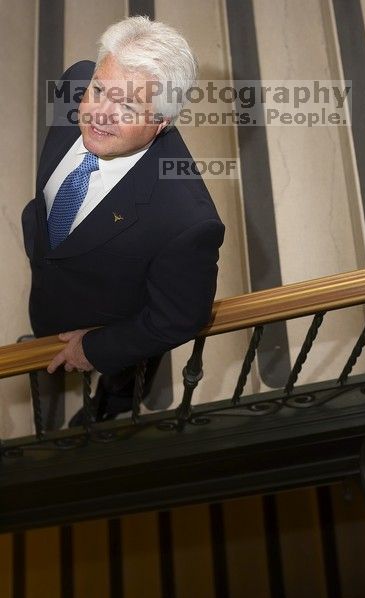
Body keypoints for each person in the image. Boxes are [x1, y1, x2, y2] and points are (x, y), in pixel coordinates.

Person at [22, 16, 225, 424]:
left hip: (112, 320)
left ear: (161, 122)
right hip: (54, 276)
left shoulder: (186, 220)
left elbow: (179, 318)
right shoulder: (75, 80)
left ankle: (104, 410)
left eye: (128, 106)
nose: (99, 114)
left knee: (124, 381)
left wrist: (94, 350)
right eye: (99, 90)